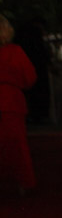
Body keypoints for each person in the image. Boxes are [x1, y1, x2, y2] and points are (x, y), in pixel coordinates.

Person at [0, 13, 37, 196]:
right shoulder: (15, 52)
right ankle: (23, 182)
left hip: (9, 98)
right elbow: (30, 77)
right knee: (17, 145)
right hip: (11, 99)